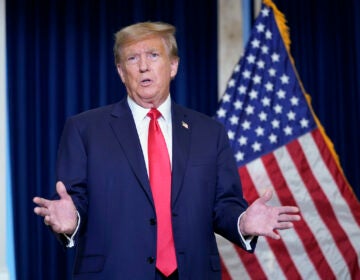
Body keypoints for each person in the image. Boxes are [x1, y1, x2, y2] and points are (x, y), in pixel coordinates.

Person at [33, 21, 300, 280]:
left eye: (153, 55)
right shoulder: (84, 129)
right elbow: (75, 198)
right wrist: (72, 219)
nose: (144, 66)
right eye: (132, 59)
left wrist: (241, 222)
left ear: (173, 66)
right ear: (120, 71)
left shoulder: (210, 132)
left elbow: (223, 204)